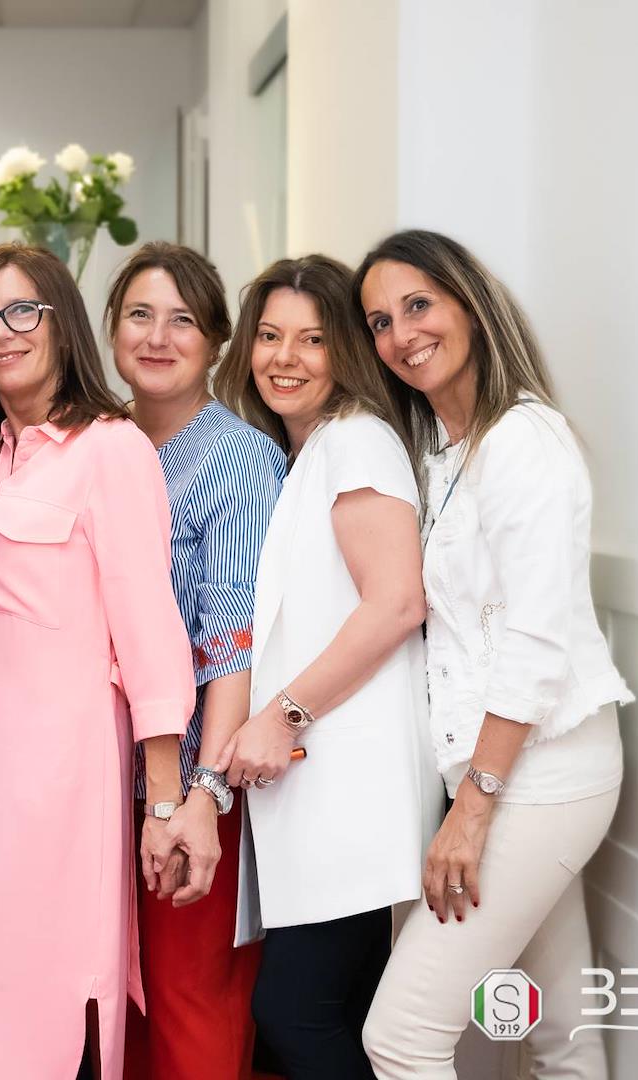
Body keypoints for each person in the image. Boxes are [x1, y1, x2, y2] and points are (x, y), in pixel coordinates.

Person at [356, 231, 631, 1080]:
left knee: (401, 1036)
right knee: (561, 1041)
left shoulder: (522, 440)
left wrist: (471, 809)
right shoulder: (447, 454)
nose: (401, 335)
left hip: (542, 775)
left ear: (470, 307)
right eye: (379, 322)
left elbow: (535, 643)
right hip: (509, 773)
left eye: (418, 306)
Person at [0, 243, 195, 1079]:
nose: (0, 332)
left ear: (61, 322)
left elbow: (149, 633)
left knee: (56, 1006)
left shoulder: (110, 447)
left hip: (66, 788)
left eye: (22, 311)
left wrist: (164, 803)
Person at [213, 254, 437, 1080]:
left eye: (312, 339)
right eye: (270, 335)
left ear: (346, 348)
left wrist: (281, 716)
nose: (285, 357)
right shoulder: (308, 453)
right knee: (344, 1011)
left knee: (294, 1013)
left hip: (350, 784)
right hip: (327, 785)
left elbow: (397, 603)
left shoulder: (356, 441)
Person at [106, 242, 286, 1080]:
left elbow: (232, 642)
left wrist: (203, 797)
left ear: (216, 341)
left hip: (190, 786)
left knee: (190, 1013)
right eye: (139, 315)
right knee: (115, 1018)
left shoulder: (238, 458)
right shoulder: (99, 442)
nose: (157, 337)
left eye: (182, 320)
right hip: (99, 786)